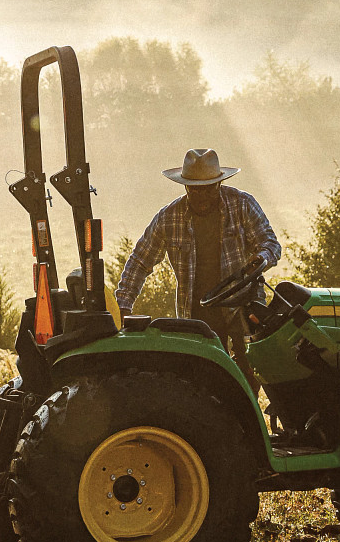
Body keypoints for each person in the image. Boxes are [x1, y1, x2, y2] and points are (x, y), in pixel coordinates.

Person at [115, 148, 281, 380]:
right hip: (196, 316)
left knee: (250, 375)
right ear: (185, 187)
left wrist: (261, 258)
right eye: (195, 190)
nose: (202, 196)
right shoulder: (169, 218)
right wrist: (123, 304)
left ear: (219, 185)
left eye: (208, 189)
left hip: (241, 307)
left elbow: (271, 244)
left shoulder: (242, 205)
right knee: (201, 380)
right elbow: (140, 261)